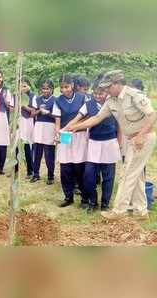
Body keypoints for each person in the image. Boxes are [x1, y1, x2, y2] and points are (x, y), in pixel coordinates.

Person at [68, 70, 157, 220]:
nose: (106, 90)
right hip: (131, 140)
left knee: (127, 174)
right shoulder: (111, 101)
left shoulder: (134, 95)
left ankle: (118, 211)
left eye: (108, 87)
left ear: (117, 84)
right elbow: (97, 118)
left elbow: (153, 114)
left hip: (143, 139)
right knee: (137, 175)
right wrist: (75, 127)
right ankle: (141, 211)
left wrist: (141, 136)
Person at [65, 75, 121, 213]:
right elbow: (76, 119)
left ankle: (105, 203)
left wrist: (119, 142)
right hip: (93, 143)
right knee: (89, 175)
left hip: (109, 143)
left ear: (106, 92)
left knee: (108, 175)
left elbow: (120, 125)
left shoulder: (113, 103)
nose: (97, 96)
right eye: (95, 93)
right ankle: (92, 202)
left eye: (101, 93)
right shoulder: (88, 104)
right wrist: (64, 129)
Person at [53, 74, 88, 208]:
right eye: (61, 87)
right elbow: (57, 121)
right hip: (66, 135)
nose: (64, 90)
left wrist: (75, 127)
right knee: (65, 166)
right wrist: (57, 134)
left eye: (66, 86)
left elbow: (87, 117)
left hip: (80, 134)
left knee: (79, 166)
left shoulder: (82, 98)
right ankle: (68, 196)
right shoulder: (58, 100)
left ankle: (85, 198)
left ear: (72, 85)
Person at [31, 78, 56, 184]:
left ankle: (50, 175)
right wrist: (39, 111)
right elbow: (32, 114)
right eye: (44, 89)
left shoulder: (56, 100)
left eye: (48, 89)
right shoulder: (37, 99)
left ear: (52, 89)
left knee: (49, 153)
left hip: (50, 127)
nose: (45, 91)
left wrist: (47, 113)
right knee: (37, 152)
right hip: (39, 126)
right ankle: (36, 174)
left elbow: (57, 116)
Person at [18, 78, 36, 179]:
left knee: (27, 146)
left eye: (25, 86)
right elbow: (12, 108)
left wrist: (23, 105)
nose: (23, 88)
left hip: (28, 122)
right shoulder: (16, 95)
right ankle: (15, 170)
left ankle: (30, 170)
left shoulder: (32, 96)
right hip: (18, 121)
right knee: (17, 145)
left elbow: (33, 112)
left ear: (29, 86)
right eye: (21, 86)